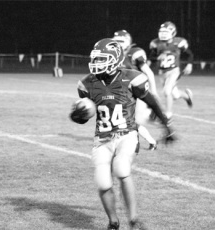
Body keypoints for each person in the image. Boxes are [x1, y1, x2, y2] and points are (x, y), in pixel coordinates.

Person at [69, 38, 176, 230]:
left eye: (102, 59)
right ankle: (113, 222)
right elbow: (86, 116)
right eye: (96, 59)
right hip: (102, 138)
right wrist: (78, 116)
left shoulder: (131, 78)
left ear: (115, 59)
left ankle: (134, 219)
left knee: (121, 169)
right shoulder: (87, 84)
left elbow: (152, 102)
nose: (96, 63)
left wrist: (166, 126)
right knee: (103, 182)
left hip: (127, 134)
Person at [113, 30, 159, 151]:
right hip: (125, 92)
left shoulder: (134, 53)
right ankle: (150, 142)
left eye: (121, 41)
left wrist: (153, 91)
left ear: (128, 41)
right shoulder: (115, 54)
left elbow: (149, 72)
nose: (118, 43)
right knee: (127, 121)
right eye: (116, 41)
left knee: (132, 121)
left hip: (139, 90)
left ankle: (139, 142)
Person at [148, 21, 194, 119]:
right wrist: (157, 58)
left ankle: (168, 114)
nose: (163, 34)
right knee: (175, 95)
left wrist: (189, 64)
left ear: (173, 33)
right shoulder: (156, 43)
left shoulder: (178, 42)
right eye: (162, 32)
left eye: (166, 32)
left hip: (174, 70)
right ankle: (187, 96)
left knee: (167, 91)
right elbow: (151, 58)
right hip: (162, 72)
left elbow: (190, 54)